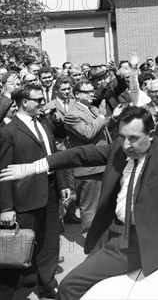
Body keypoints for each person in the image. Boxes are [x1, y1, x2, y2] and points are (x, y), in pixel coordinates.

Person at [0, 106, 158, 300]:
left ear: (150, 136)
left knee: (69, 285)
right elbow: (77, 155)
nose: (126, 145)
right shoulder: (118, 150)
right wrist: (35, 167)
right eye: (122, 137)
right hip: (112, 234)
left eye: (133, 138)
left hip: (138, 242)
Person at [0, 85, 70, 300]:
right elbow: (3, 171)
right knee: (22, 247)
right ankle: (18, 292)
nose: (42, 103)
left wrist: (62, 184)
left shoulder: (45, 124)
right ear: (24, 103)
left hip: (49, 193)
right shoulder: (8, 131)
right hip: (24, 198)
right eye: (37, 100)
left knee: (49, 244)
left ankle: (46, 286)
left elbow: (53, 156)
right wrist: (6, 208)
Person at [65, 80, 111, 238]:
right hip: (88, 168)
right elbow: (87, 133)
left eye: (93, 90)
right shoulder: (72, 114)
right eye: (87, 92)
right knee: (89, 208)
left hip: (102, 164)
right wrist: (102, 116)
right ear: (77, 95)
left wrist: (112, 118)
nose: (92, 93)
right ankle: (90, 243)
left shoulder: (93, 109)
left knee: (103, 206)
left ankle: (101, 240)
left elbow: (102, 130)